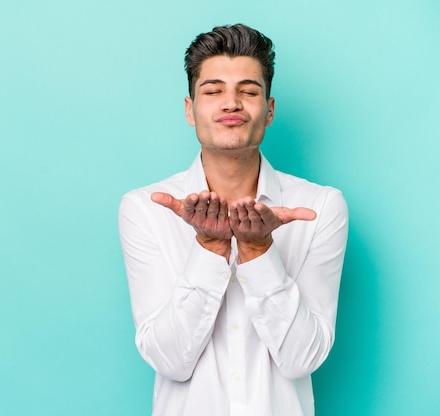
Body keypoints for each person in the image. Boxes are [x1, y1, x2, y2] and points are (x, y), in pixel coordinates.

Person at [118, 24, 348, 416]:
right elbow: (170, 361)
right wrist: (210, 249)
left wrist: (259, 252)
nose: (231, 103)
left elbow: (302, 359)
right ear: (191, 110)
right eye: (212, 91)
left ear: (269, 110)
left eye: (248, 90)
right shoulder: (144, 209)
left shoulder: (320, 207)